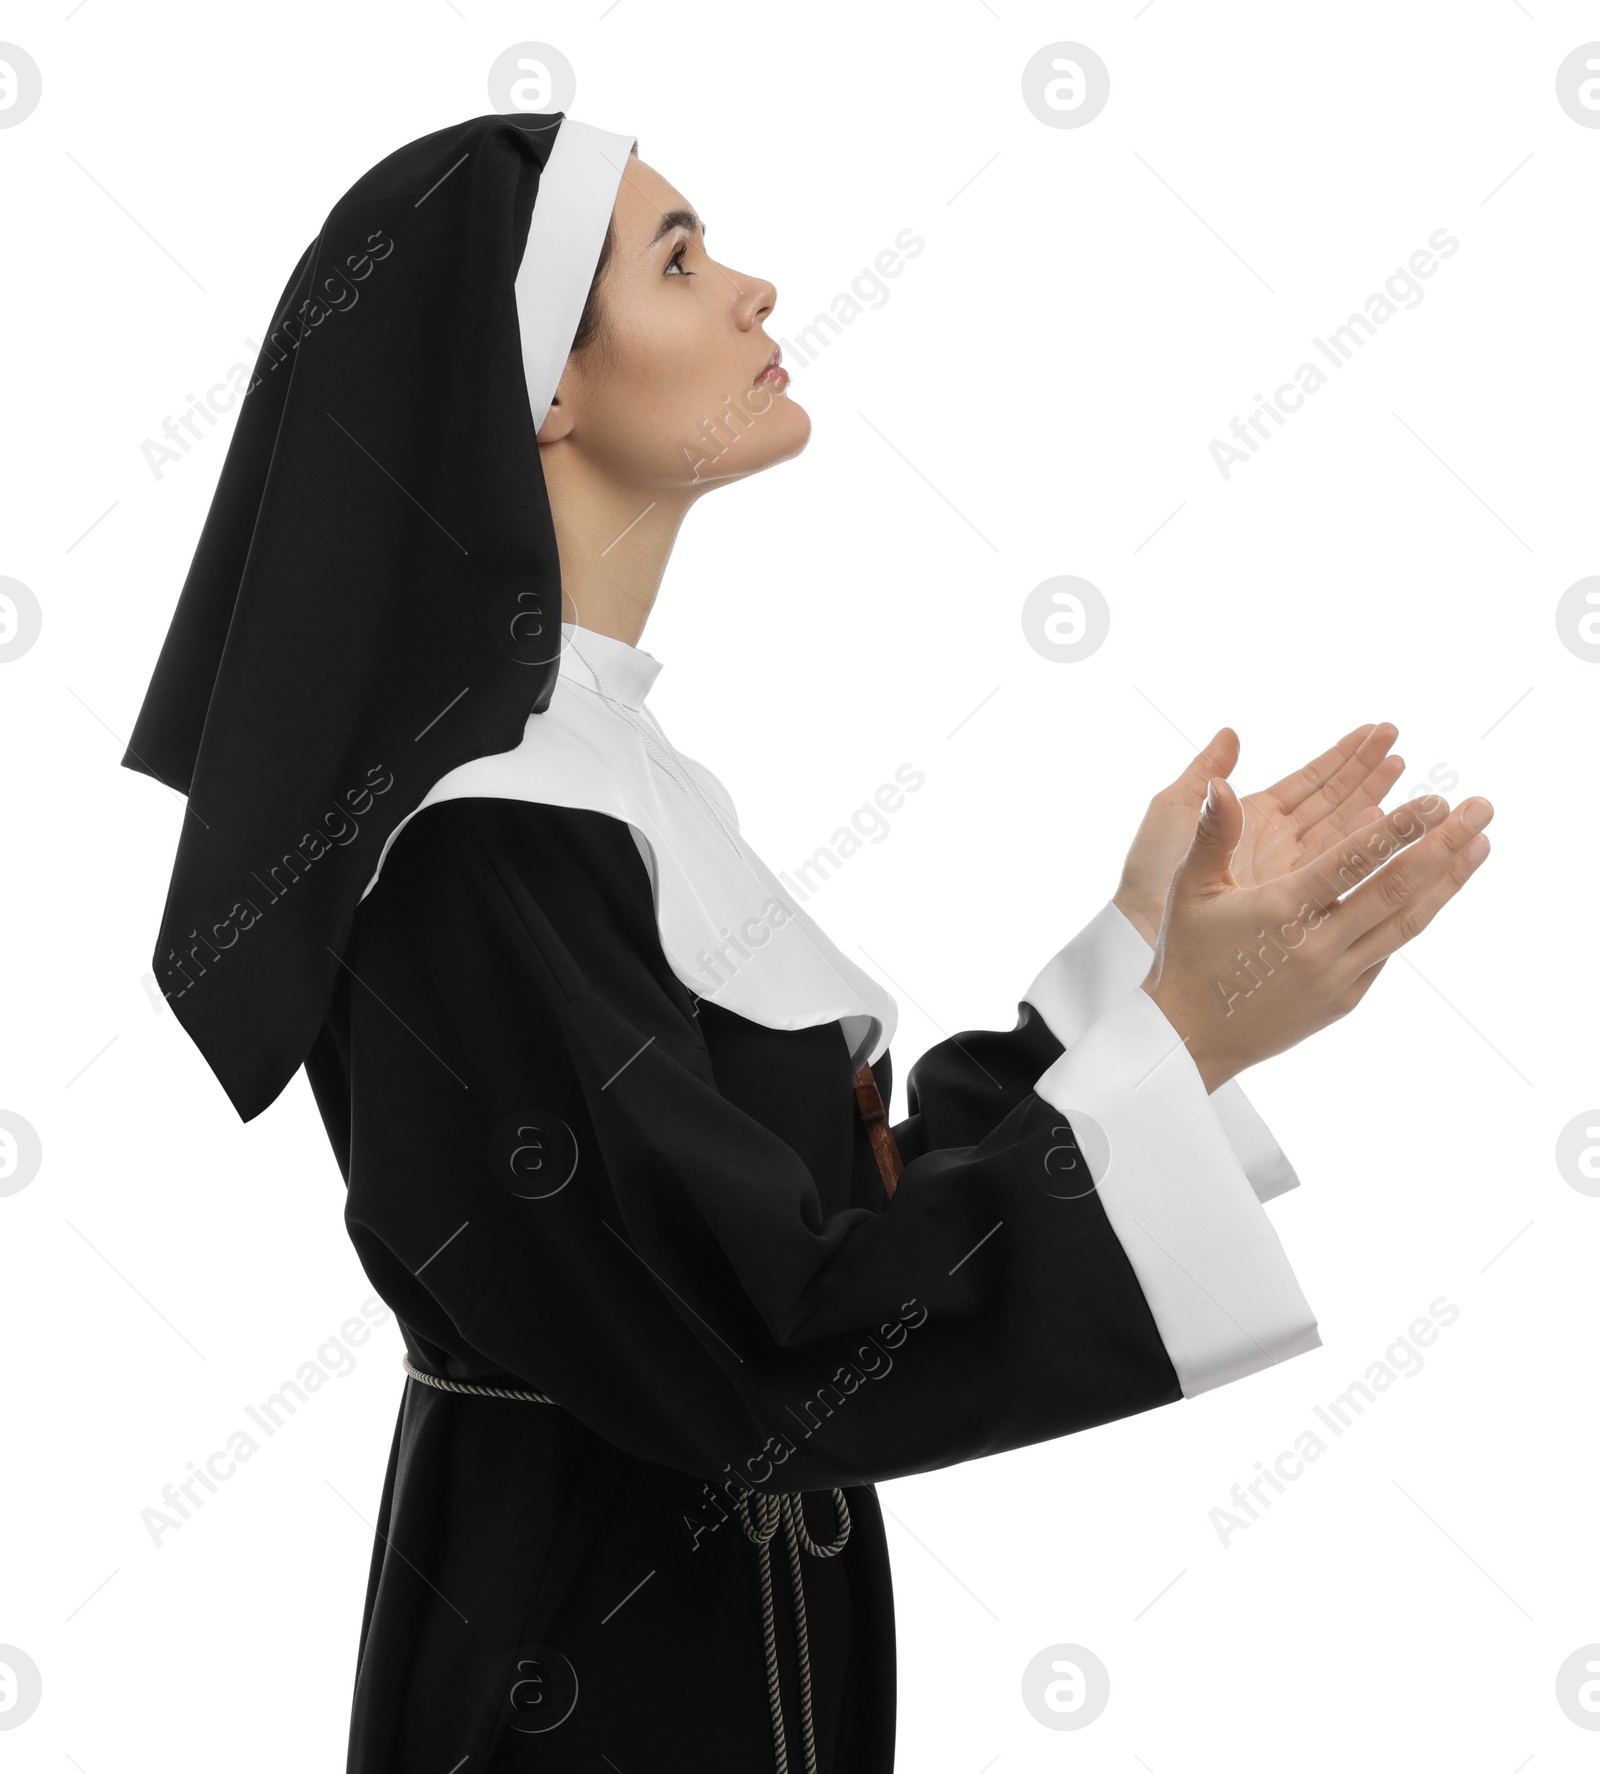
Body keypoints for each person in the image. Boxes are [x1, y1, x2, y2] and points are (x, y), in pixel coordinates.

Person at [122, 112, 1493, 1774]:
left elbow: (824, 1233)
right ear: (543, 389)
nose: (758, 290)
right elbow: (769, 1344)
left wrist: (1150, 966)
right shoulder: (476, 843)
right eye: (682, 262)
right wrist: (1175, 1037)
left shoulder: (616, 773)